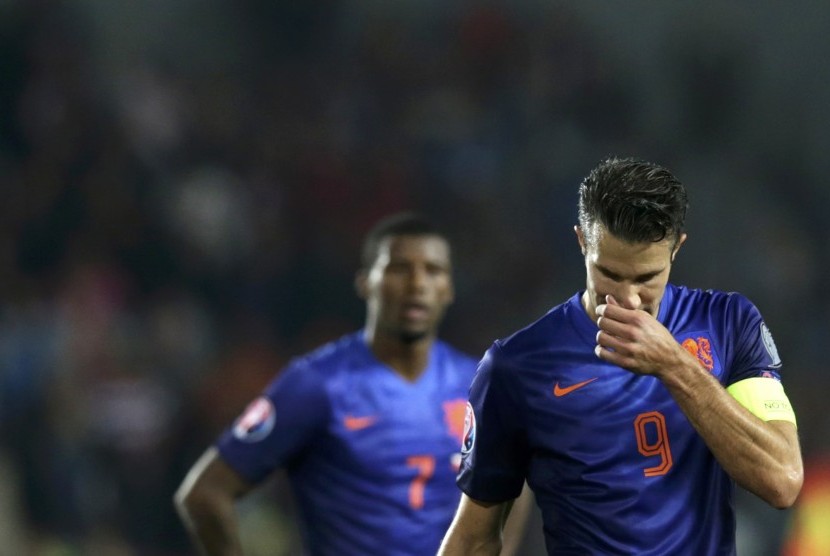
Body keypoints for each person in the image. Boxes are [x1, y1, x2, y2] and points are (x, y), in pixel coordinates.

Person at [439, 157, 804, 555]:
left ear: (676, 249)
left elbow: (782, 480)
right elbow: (474, 538)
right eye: (609, 274)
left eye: (647, 278)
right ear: (582, 241)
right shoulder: (516, 366)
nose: (628, 299)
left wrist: (674, 364)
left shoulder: (728, 324)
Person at [174, 212, 480, 555]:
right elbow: (205, 494)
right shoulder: (317, 383)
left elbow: (512, 484)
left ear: (449, 287)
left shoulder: (476, 385)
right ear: (365, 282)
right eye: (398, 269)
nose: (416, 285)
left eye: (432, 271)